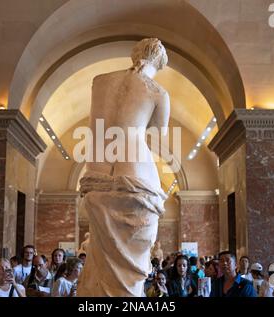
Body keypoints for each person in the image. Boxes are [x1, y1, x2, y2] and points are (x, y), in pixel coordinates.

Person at [77, 38, 170, 297]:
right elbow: (156, 134)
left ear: (134, 55)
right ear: (160, 63)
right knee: (131, 269)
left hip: (95, 172)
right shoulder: (158, 92)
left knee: (100, 259)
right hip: (136, 173)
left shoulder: (100, 80)